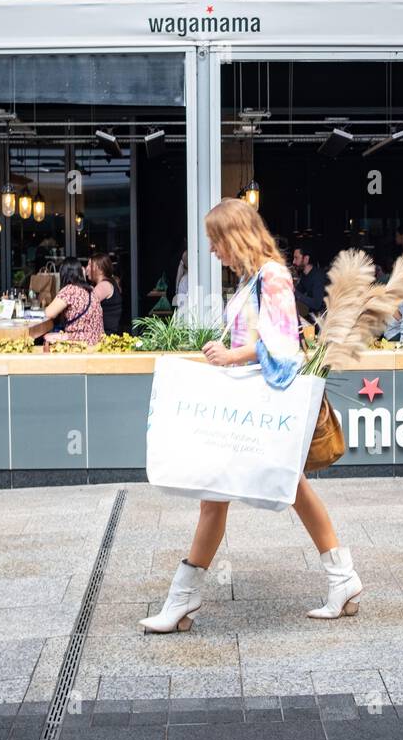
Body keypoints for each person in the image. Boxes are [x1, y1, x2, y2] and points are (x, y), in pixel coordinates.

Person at [139, 198, 363, 634]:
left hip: (256, 403)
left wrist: (230, 355)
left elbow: (284, 349)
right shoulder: (257, 276)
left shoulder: (272, 276)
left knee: (236, 494)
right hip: (249, 405)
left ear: (233, 236)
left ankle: (182, 601)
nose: (211, 250)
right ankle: (343, 579)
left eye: (214, 240)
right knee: (260, 491)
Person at [42, 257, 104, 346]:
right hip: (98, 341)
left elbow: (49, 313)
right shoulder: (91, 290)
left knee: (47, 337)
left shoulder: (70, 290)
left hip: (82, 341)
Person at [87, 252, 123, 335]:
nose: (87, 269)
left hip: (107, 337)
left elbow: (84, 304)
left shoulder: (104, 285)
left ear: (99, 269)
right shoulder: (108, 283)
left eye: (90, 265)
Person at [291, 243, 329, 319]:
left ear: (306, 259)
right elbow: (297, 292)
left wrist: (295, 292)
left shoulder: (318, 276)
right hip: (315, 315)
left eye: (296, 258)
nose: (293, 262)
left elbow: (316, 304)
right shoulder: (305, 275)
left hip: (326, 319)